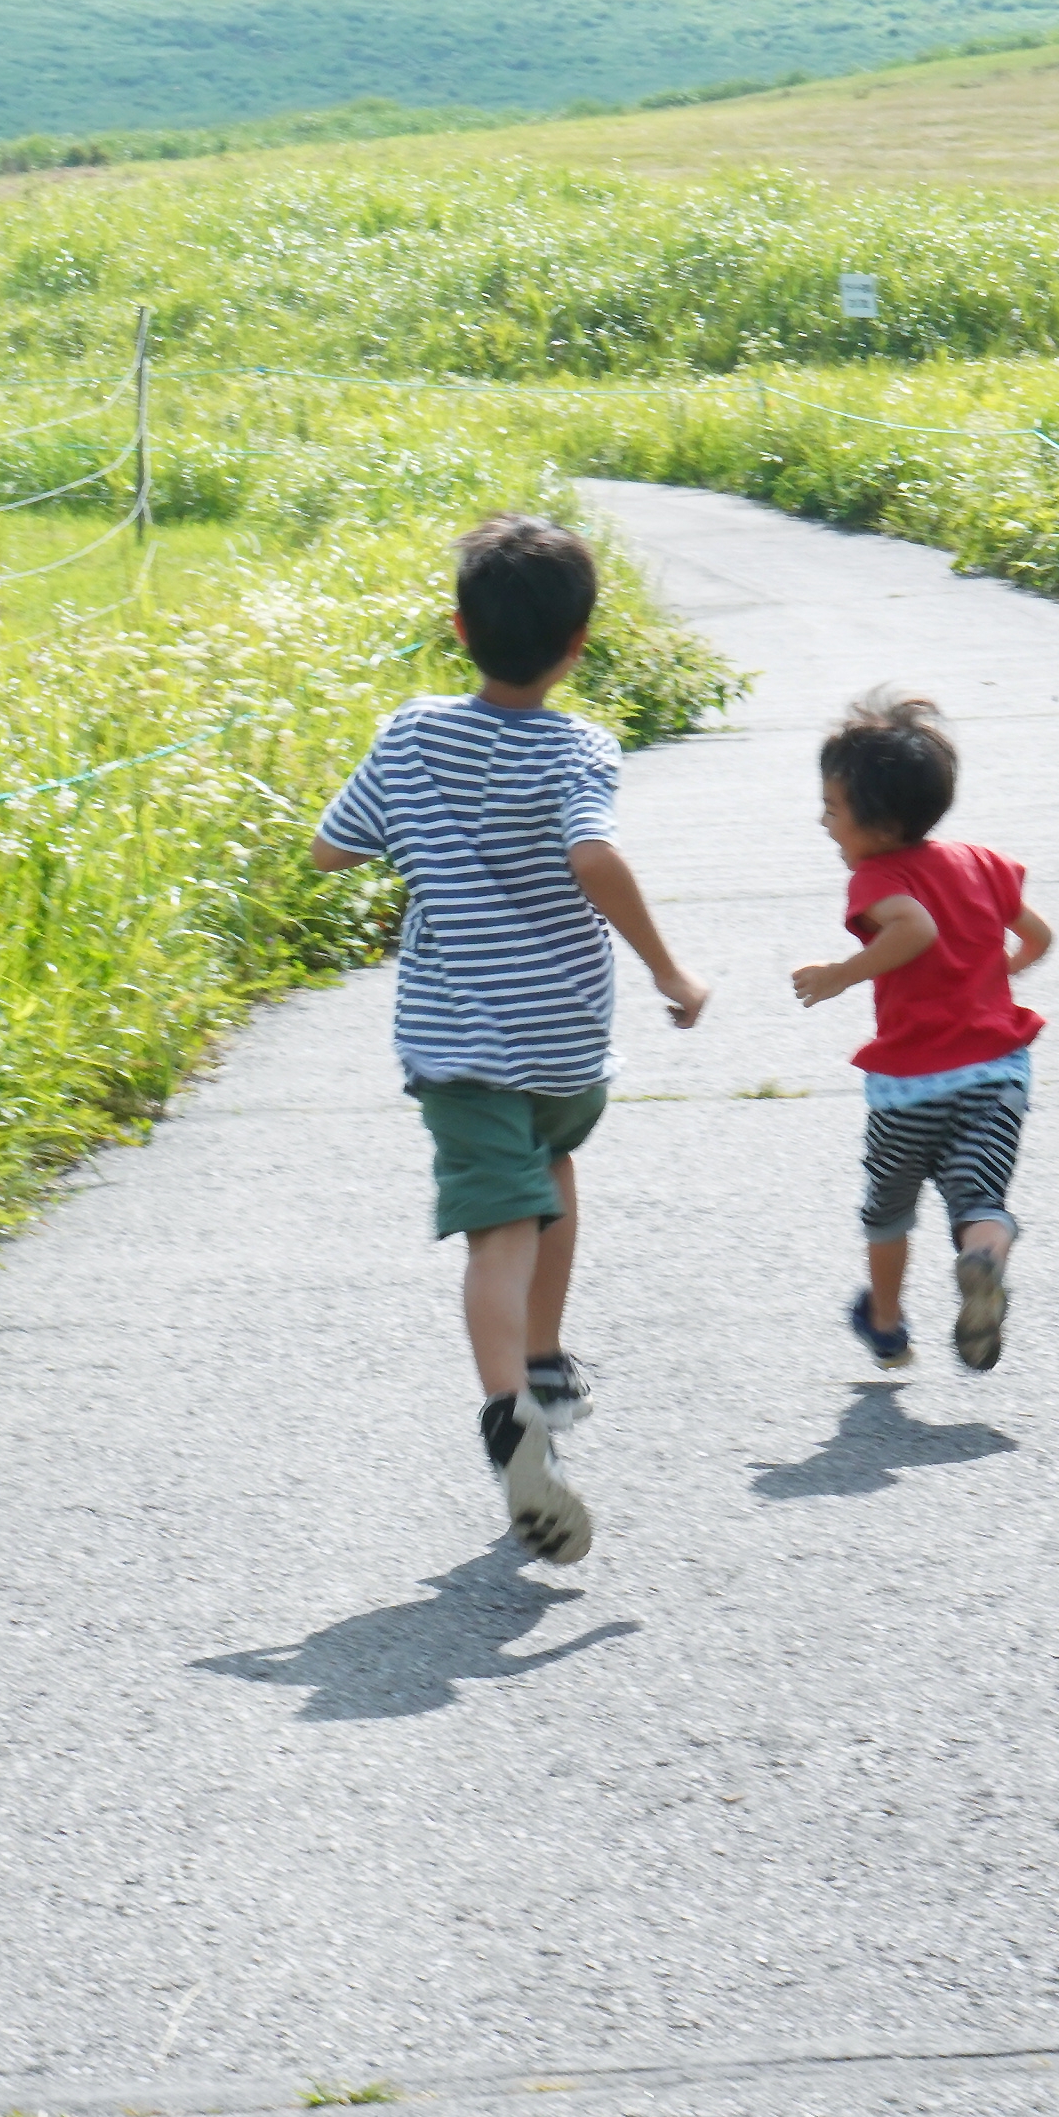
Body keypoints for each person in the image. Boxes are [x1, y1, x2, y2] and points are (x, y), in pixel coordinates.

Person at [311, 515, 710, 1562]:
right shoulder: (581, 744)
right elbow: (592, 851)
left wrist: (413, 838)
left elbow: (329, 849)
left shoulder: (408, 736)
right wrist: (668, 967)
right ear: (580, 643)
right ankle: (542, 1360)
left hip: (458, 1036)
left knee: (498, 1227)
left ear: (457, 627)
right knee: (555, 1170)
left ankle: (508, 1416)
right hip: (565, 1032)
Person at [790, 690, 1052, 1371]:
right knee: (979, 1198)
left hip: (908, 1084)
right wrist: (998, 974)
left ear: (877, 824)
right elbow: (1038, 936)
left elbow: (916, 927)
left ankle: (885, 1322)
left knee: (889, 1211)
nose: (823, 824)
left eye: (832, 810)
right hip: (996, 1071)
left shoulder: (876, 878)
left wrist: (842, 973)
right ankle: (984, 1258)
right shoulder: (982, 863)